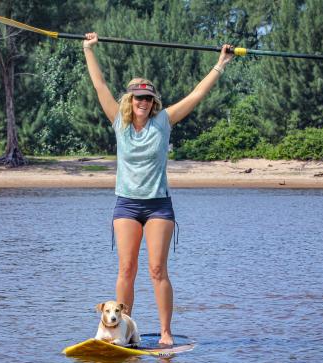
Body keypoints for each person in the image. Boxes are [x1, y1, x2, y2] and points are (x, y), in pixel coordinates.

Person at [83, 32, 234, 345]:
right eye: (139, 97)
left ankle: (166, 333)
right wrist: (89, 49)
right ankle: (121, 333)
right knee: (126, 268)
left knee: (156, 269)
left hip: (158, 206)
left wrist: (221, 63)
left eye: (148, 98)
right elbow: (99, 86)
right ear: (130, 100)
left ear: (154, 102)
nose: (143, 102)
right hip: (126, 203)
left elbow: (195, 96)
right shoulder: (118, 122)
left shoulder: (163, 121)